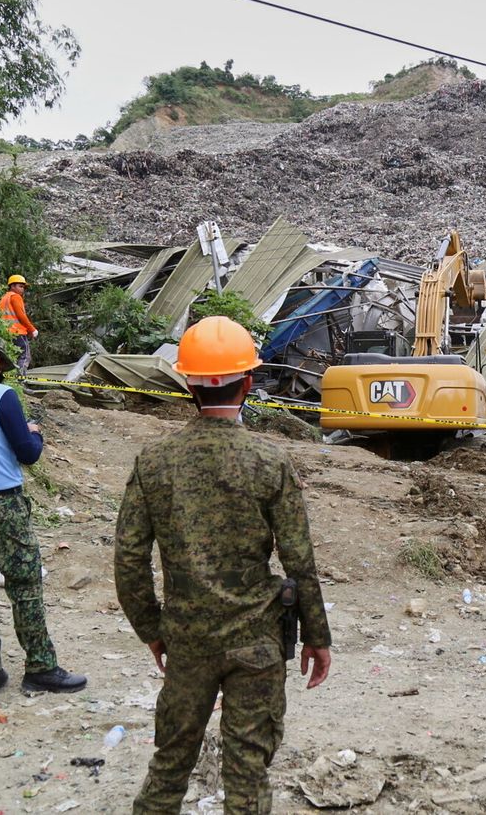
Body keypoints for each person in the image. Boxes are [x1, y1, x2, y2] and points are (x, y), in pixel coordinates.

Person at [115, 316, 332, 814]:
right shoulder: (269, 461)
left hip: (187, 640)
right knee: (248, 773)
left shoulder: (154, 461)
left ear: (187, 383)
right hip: (256, 641)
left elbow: (128, 558)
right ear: (249, 382)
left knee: (169, 765)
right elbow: (300, 559)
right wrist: (317, 637)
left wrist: (152, 628)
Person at [0, 332, 86, 695]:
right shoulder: (1, 396)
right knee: (24, 587)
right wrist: (34, 433)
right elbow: (28, 453)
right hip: (2, 505)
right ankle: (40, 667)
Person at [0, 275, 38, 374]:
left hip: (6, 332)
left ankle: (10, 379)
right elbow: (21, 316)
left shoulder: (4, 298)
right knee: (25, 356)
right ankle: (21, 382)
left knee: (11, 357)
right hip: (17, 332)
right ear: (12, 286)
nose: (23, 289)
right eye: (20, 286)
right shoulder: (15, 297)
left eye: (23, 287)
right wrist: (32, 329)